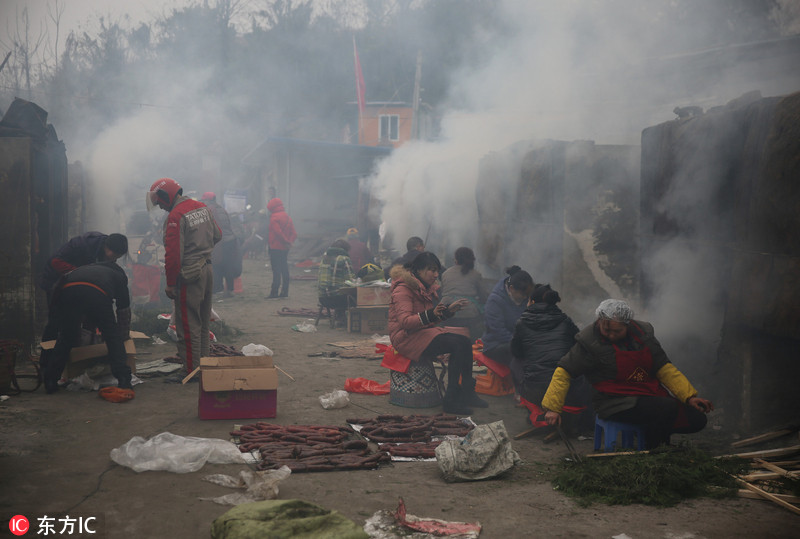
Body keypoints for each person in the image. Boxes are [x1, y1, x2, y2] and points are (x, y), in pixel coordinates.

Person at [542, 299, 714, 448]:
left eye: (617, 331)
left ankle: (652, 435)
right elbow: (563, 372)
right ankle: (657, 450)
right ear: (599, 321)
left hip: (647, 394)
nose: (610, 335)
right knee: (664, 407)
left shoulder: (643, 336)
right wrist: (553, 408)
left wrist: (689, 396)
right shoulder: (589, 343)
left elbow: (664, 368)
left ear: (628, 325)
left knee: (696, 419)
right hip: (613, 402)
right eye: (606, 330)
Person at [388, 252, 487, 415]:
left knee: (464, 339)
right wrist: (433, 314)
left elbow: (428, 320)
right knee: (456, 345)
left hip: (421, 332)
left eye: (437, 271)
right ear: (419, 270)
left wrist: (447, 312)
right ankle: (451, 399)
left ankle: (467, 391)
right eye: (431, 270)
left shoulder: (425, 288)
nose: (436, 275)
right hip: (405, 338)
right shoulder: (403, 289)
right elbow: (405, 322)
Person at [147, 178, 221, 375]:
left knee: (187, 326)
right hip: (207, 269)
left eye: (160, 202)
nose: (161, 207)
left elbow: (172, 256)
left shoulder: (175, 216)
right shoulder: (201, 207)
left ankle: (190, 371)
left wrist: (170, 284)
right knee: (203, 323)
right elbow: (218, 235)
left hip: (189, 275)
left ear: (166, 196)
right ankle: (203, 366)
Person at [37, 232, 129, 368]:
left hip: (84, 287)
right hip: (57, 283)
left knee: (89, 320)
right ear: (107, 247)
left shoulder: (110, 259)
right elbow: (55, 262)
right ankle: (45, 363)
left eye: (118, 257)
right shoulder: (82, 245)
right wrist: (80, 273)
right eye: (114, 255)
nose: (114, 259)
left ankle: (82, 360)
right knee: (57, 323)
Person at [44, 261, 133, 401]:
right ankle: (124, 380)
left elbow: (58, 289)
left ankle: (50, 380)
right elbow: (124, 313)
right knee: (112, 335)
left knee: (67, 336)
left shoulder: (83, 269)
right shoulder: (119, 277)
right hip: (95, 294)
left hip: (67, 292)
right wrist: (123, 336)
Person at [510, 284, 592, 430]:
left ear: (532, 302)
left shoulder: (521, 323)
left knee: (515, 362)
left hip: (534, 390)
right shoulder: (565, 321)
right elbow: (579, 347)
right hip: (567, 390)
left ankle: (532, 409)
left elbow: (516, 352)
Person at [480, 265, 534, 366]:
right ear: (511, 288)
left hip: (520, 341)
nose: (525, 297)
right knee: (521, 353)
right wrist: (522, 342)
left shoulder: (525, 297)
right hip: (496, 345)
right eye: (522, 295)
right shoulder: (495, 300)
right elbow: (498, 332)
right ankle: (521, 381)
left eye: (527, 295)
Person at [440, 247, 489, 340]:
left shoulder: (445, 273)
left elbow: (443, 292)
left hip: (446, 312)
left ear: (456, 259)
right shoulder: (476, 274)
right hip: (469, 315)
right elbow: (484, 296)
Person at [201, 192, 241, 298]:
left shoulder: (209, 210)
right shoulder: (221, 209)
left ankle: (218, 290)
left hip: (220, 242)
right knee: (228, 266)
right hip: (230, 241)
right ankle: (230, 290)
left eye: (204, 200)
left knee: (216, 265)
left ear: (208, 201)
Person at [317, 239, 356, 326]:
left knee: (338, 289)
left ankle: (340, 315)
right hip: (338, 300)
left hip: (323, 299)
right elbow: (351, 280)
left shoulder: (324, 257)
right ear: (345, 249)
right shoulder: (344, 259)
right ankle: (344, 317)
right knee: (356, 295)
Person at [266, 197, 297, 298]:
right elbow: (294, 233)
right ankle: (285, 292)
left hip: (275, 247)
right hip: (285, 248)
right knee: (284, 268)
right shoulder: (288, 217)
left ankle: (274, 293)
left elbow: (278, 233)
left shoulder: (274, 218)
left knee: (276, 270)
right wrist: (289, 242)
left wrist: (286, 241)